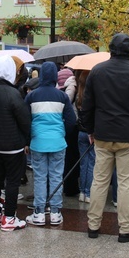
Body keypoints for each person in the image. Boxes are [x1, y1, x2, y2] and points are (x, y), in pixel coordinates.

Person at [80, 33, 129, 243]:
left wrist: (90, 129)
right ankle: (125, 229)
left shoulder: (97, 71)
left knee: (99, 181)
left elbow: (87, 105)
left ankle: (93, 225)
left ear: (111, 49)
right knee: (125, 184)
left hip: (103, 134)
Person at [0, 56, 32, 232]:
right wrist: (27, 140)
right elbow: (24, 120)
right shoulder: (13, 93)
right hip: (13, 145)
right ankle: (9, 217)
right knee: (12, 182)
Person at [24, 62, 77, 226]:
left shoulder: (31, 96)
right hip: (58, 142)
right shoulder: (61, 96)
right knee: (56, 176)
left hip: (37, 142)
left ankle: (39, 213)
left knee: (40, 177)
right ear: (55, 76)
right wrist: (62, 134)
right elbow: (71, 121)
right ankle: (55, 212)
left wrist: (27, 140)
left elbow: (25, 121)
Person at [58, 68, 80, 197]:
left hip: (65, 128)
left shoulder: (58, 90)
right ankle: (72, 187)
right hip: (73, 127)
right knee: (73, 157)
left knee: (68, 158)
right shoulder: (73, 86)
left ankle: (69, 185)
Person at [74, 70, 95, 203]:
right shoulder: (93, 96)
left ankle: (82, 191)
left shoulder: (78, 97)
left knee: (83, 163)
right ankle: (88, 192)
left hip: (80, 132)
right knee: (92, 163)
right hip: (91, 133)